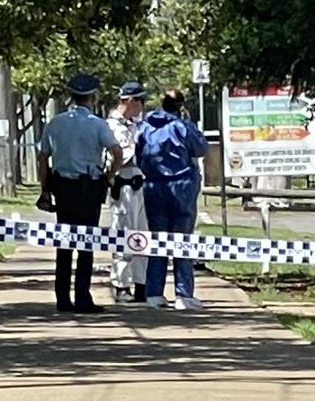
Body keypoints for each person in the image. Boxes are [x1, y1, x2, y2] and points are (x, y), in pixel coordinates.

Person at [37, 73, 123, 313]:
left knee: (64, 244)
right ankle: (83, 298)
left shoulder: (56, 123)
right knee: (86, 245)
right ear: (92, 98)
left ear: (71, 97)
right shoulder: (97, 124)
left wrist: (45, 189)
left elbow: (43, 157)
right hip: (89, 188)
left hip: (63, 188)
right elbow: (117, 151)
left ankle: (62, 299)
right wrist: (109, 176)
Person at [136, 88, 208, 311]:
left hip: (153, 185)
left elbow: (139, 156)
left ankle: (154, 293)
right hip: (181, 185)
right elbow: (201, 148)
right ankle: (183, 294)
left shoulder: (145, 127)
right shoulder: (182, 126)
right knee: (182, 239)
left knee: (158, 239)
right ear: (180, 106)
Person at [107, 81, 149, 303]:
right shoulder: (110, 126)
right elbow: (114, 158)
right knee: (122, 234)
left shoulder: (136, 125)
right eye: (141, 101)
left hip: (141, 184)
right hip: (123, 185)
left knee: (143, 235)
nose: (143, 106)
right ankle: (121, 284)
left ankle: (141, 283)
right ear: (130, 101)